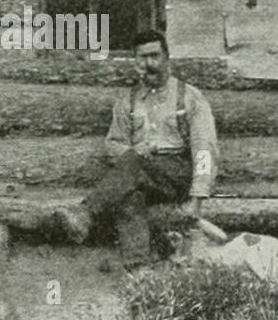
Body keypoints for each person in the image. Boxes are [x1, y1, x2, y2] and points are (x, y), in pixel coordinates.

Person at [55, 29, 219, 268]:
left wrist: (197, 199)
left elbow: (204, 149)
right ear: (135, 61)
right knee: (129, 197)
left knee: (135, 163)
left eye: (154, 56)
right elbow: (112, 144)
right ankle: (139, 268)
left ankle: (86, 213)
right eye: (142, 58)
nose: (148, 64)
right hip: (141, 175)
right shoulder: (128, 101)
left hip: (178, 175)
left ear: (167, 58)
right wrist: (133, 152)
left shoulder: (189, 97)